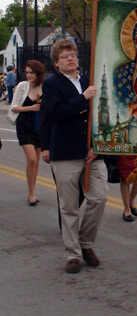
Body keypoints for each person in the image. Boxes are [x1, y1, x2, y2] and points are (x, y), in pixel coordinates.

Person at [40, 39, 108, 274]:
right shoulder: (51, 85)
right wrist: (83, 98)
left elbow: (101, 115)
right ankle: (73, 254)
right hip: (66, 152)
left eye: (73, 54)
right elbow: (57, 113)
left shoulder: (89, 82)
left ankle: (86, 242)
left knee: (99, 198)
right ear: (57, 63)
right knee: (68, 206)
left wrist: (97, 145)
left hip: (92, 153)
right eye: (65, 56)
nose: (71, 58)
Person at [10, 60, 45, 205]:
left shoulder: (45, 87)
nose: (29, 75)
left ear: (39, 73)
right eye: (27, 72)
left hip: (39, 126)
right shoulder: (22, 86)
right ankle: (30, 194)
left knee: (36, 161)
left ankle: (32, 191)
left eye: (32, 73)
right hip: (24, 125)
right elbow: (14, 106)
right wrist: (30, 108)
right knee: (31, 159)